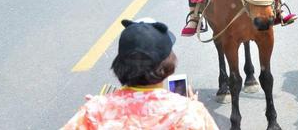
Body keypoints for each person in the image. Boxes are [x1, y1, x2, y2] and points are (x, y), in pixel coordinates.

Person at [62, 18, 218, 129]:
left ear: (120, 64)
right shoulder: (188, 113)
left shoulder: (94, 112)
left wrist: (102, 105)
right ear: (168, 63)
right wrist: (192, 106)